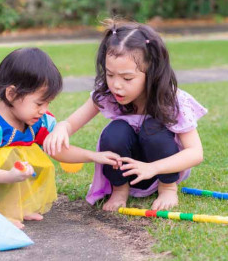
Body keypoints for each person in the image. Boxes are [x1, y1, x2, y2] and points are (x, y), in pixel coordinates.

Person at [0, 47, 121, 228]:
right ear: (11, 94)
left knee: (30, 158)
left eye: (48, 103)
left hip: (7, 177)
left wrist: (93, 156)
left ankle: (14, 206)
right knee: (9, 156)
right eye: (39, 103)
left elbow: (58, 150)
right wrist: (9, 176)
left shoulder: (37, 122)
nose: (44, 110)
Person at [44, 20, 207, 211]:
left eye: (127, 78)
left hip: (161, 170)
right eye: (110, 75)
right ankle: (120, 189)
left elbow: (195, 153)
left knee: (152, 128)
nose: (116, 85)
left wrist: (152, 168)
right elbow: (71, 124)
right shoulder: (107, 94)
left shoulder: (170, 99)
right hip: (126, 171)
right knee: (116, 131)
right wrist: (62, 127)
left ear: (152, 73)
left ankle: (167, 189)